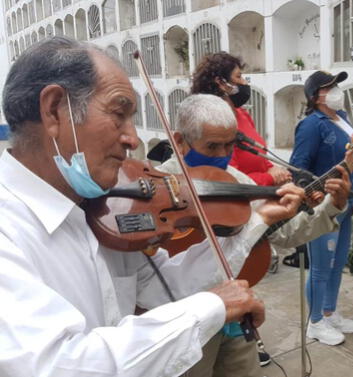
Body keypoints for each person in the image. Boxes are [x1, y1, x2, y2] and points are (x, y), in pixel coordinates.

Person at [0, 37, 302, 377]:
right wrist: (210, 308)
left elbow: (167, 286)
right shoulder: (8, 230)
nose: (133, 139)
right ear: (55, 109)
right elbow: (59, 365)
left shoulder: (101, 212)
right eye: (119, 113)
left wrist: (254, 222)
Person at [161, 94, 353, 377]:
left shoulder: (238, 181)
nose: (221, 156)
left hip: (236, 319)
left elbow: (285, 233)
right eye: (211, 146)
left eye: (228, 145)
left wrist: (331, 206)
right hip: (181, 326)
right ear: (180, 141)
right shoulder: (157, 187)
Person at [290, 70, 353, 346]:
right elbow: (299, 167)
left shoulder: (342, 119)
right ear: (314, 96)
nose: (335, 90)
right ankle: (315, 322)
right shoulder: (311, 124)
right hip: (322, 206)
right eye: (329, 87)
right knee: (320, 267)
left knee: (338, 262)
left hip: (346, 202)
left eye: (336, 85)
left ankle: (330, 312)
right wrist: (313, 198)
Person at [191, 52, 291, 186]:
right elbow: (229, 179)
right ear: (221, 82)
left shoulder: (241, 114)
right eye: (238, 76)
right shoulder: (214, 126)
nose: (244, 82)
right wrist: (269, 178)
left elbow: (260, 156)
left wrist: (272, 168)